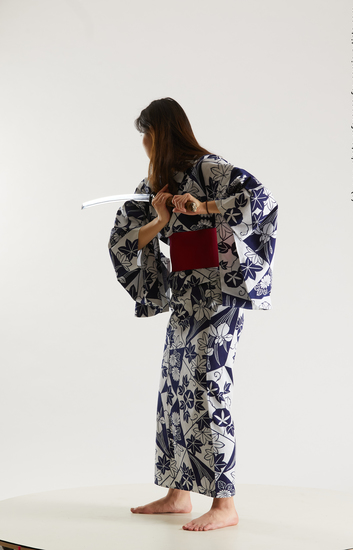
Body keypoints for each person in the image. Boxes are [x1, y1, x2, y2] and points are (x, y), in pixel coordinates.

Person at [108, 98, 278, 531]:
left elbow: (259, 201)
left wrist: (204, 208)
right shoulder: (153, 185)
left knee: (208, 385)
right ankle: (177, 493)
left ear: (160, 134)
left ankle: (225, 503)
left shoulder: (210, 168)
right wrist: (162, 218)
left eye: (146, 136)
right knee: (174, 388)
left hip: (220, 294)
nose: (144, 145)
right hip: (186, 294)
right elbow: (125, 240)